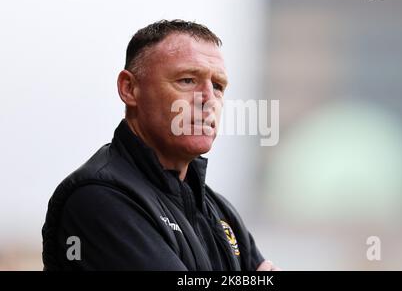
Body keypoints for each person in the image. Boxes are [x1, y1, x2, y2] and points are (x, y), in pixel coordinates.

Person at [42, 19, 280, 271]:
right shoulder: (98, 197)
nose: (209, 99)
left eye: (218, 86)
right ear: (129, 88)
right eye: (187, 80)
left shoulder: (219, 210)